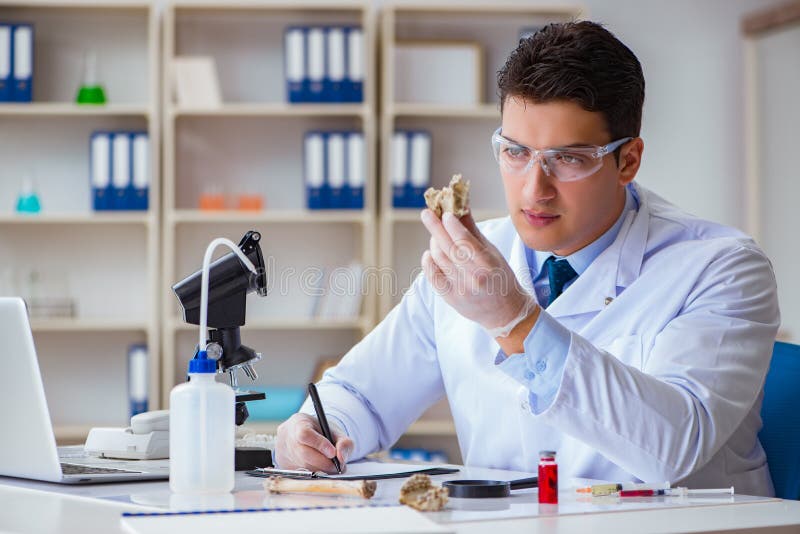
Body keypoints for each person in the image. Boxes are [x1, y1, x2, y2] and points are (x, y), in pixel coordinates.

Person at [275, 21, 780, 496]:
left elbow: (674, 446)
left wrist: (515, 322)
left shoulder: (722, 268)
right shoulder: (471, 262)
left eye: (569, 158)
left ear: (627, 160)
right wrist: (314, 431)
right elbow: (360, 395)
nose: (534, 189)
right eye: (515, 152)